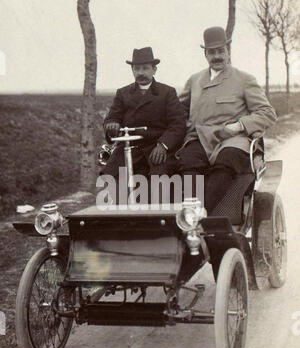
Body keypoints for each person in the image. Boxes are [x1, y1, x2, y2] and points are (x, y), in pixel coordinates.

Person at [177, 26, 277, 214]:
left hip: (233, 139)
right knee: (188, 161)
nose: (217, 56)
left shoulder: (244, 79)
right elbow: (178, 113)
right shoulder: (194, 80)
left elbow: (267, 113)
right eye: (212, 52)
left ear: (228, 51)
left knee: (227, 161)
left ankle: (203, 214)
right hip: (200, 137)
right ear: (205, 54)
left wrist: (239, 125)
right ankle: (189, 214)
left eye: (221, 51)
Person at [101, 47, 186, 182]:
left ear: (154, 69)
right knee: (109, 177)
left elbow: (178, 124)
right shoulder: (123, 93)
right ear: (132, 70)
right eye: (137, 69)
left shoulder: (167, 92)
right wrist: (112, 125)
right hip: (129, 147)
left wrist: (163, 145)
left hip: (157, 148)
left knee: (159, 179)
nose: (140, 73)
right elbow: (112, 118)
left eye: (145, 68)